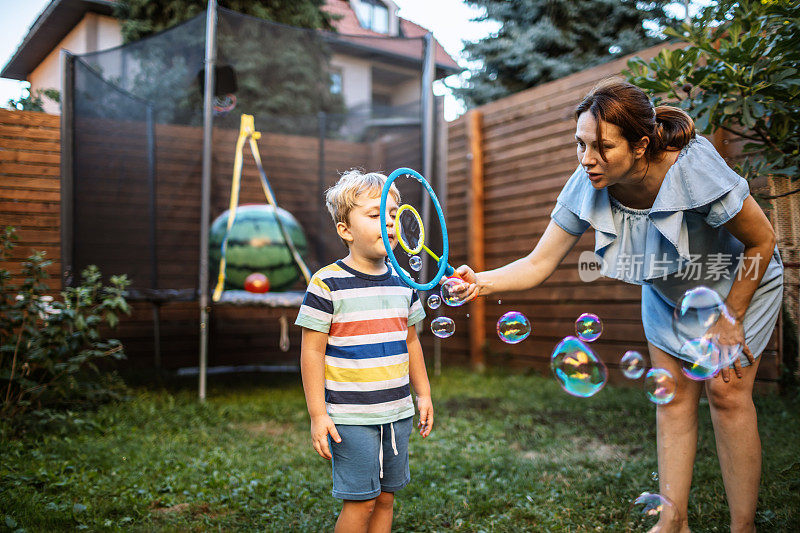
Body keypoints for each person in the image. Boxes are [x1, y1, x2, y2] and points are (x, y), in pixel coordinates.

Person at [455, 79, 783, 533]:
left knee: (726, 395)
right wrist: (480, 282)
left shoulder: (693, 167)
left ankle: (742, 528)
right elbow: (538, 262)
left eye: (601, 146)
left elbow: (762, 240)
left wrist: (731, 318)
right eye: (580, 144)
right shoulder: (589, 180)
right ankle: (673, 523)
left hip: (739, 283)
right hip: (667, 290)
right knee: (672, 402)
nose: (587, 158)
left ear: (640, 144)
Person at [296, 169, 434, 533]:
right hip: (350, 418)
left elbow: (411, 340)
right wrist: (317, 415)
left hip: (397, 412)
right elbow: (311, 353)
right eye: (374, 215)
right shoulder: (327, 283)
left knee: (386, 498)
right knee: (361, 502)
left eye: (392, 215)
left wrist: (423, 393)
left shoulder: (404, 281)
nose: (388, 224)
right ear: (345, 230)